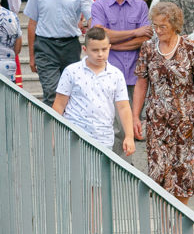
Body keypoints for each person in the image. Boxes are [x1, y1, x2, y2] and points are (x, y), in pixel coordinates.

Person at [133, 2, 194, 211]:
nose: (158, 31)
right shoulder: (148, 48)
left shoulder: (191, 47)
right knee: (159, 171)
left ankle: (178, 224)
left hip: (187, 120)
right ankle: (164, 223)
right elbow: (141, 83)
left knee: (184, 173)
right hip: (157, 121)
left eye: (163, 27)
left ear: (175, 25)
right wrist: (135, 117)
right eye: (155, 26)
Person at [91, 0, 151, 159]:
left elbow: (146, 38)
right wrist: (134, 32)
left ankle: (122, 167)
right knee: (116, 126)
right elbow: (100, 35)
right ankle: (123, 168)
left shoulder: (140, 6)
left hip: (135, 75)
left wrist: (112, 43)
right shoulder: (99, 6)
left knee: (130, 124)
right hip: (109, 73)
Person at [53, 26, 134, 157]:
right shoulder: (71, 71)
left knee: (99, 177)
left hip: (104, 137)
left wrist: (129, 136)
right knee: (75, 176)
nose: (100, 54)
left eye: (104, 49)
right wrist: (54, 135)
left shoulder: (116, 75)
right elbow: (59, 104)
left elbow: (124, 107)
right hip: (74, 136)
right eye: (95, 50)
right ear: (85, 50)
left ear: (110, 47)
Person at [24, 0, 93, 105]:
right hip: (45, 46)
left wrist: (93, 44)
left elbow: (92, 17)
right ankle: (52, 129)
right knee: (51, 92)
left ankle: (69, 127)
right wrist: (32, 56)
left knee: (72, 92)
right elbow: (32, 24)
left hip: (70, 46)